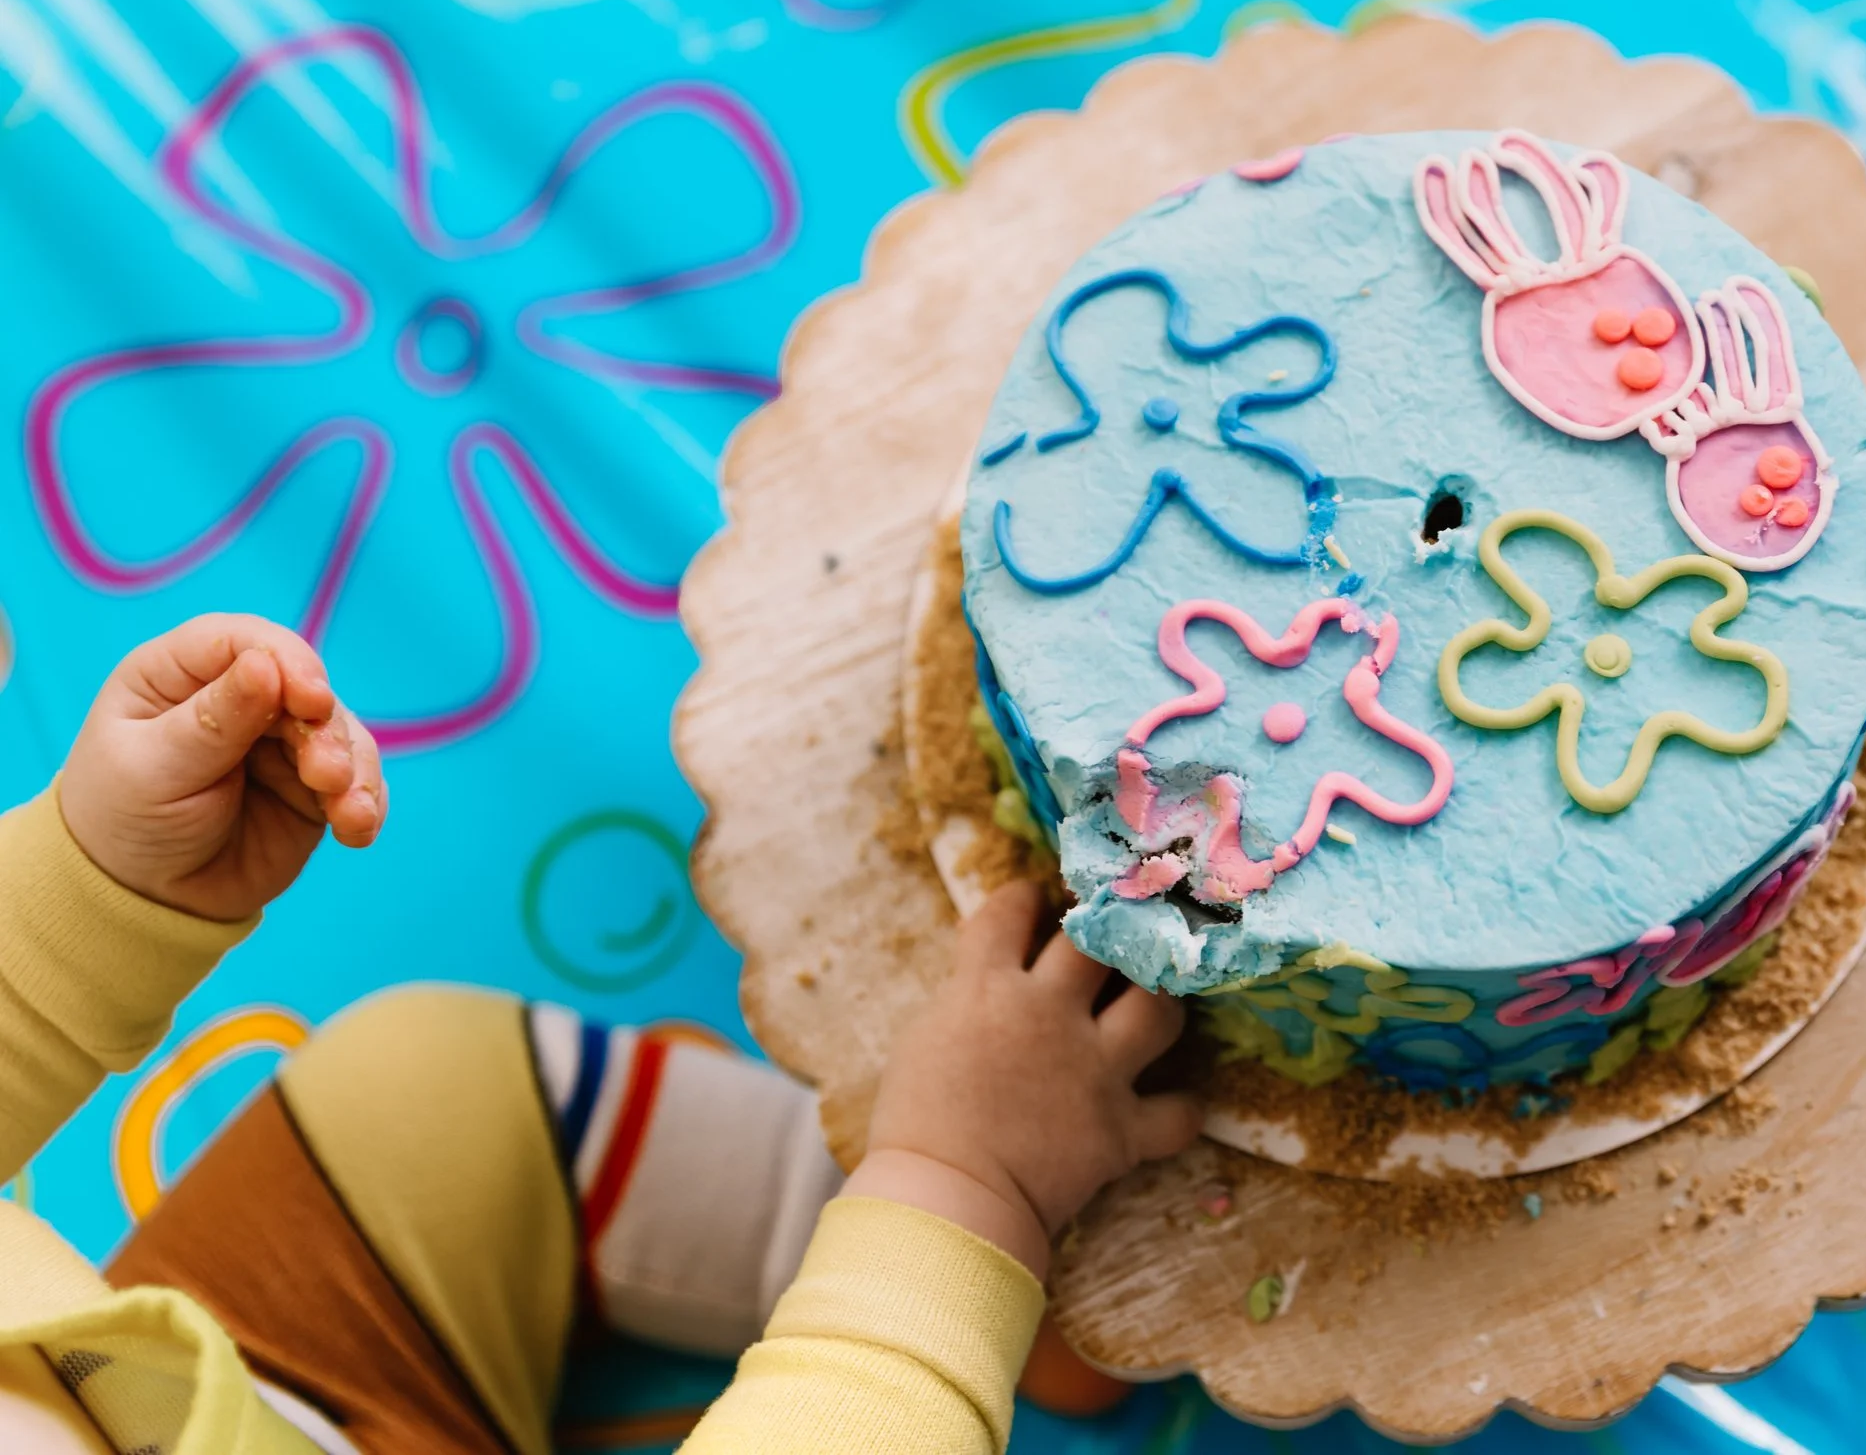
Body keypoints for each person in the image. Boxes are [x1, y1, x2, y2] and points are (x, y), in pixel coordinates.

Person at [0, 613, 1200, 1454]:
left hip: (204, 1381)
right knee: (915, 1282)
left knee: (421, 1085)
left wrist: (84, 891)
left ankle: (880, 1218)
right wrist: (964, 1190)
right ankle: (967, 1256)